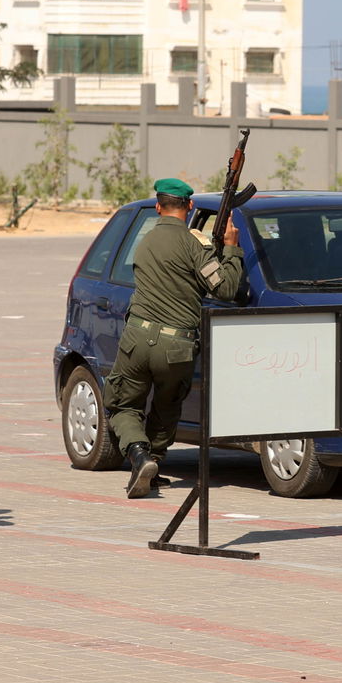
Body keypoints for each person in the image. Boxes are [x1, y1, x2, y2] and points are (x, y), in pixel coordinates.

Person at [103, 178, 245, 498]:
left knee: (123, 404)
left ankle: (138, 455)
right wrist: (231, 248)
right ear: (190, 206)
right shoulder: (195, 246)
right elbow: (225, 288)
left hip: (137, 338)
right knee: (166, 407)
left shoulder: (145, 241)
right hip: (177, 345)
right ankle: (153, 461)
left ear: (158, 207)